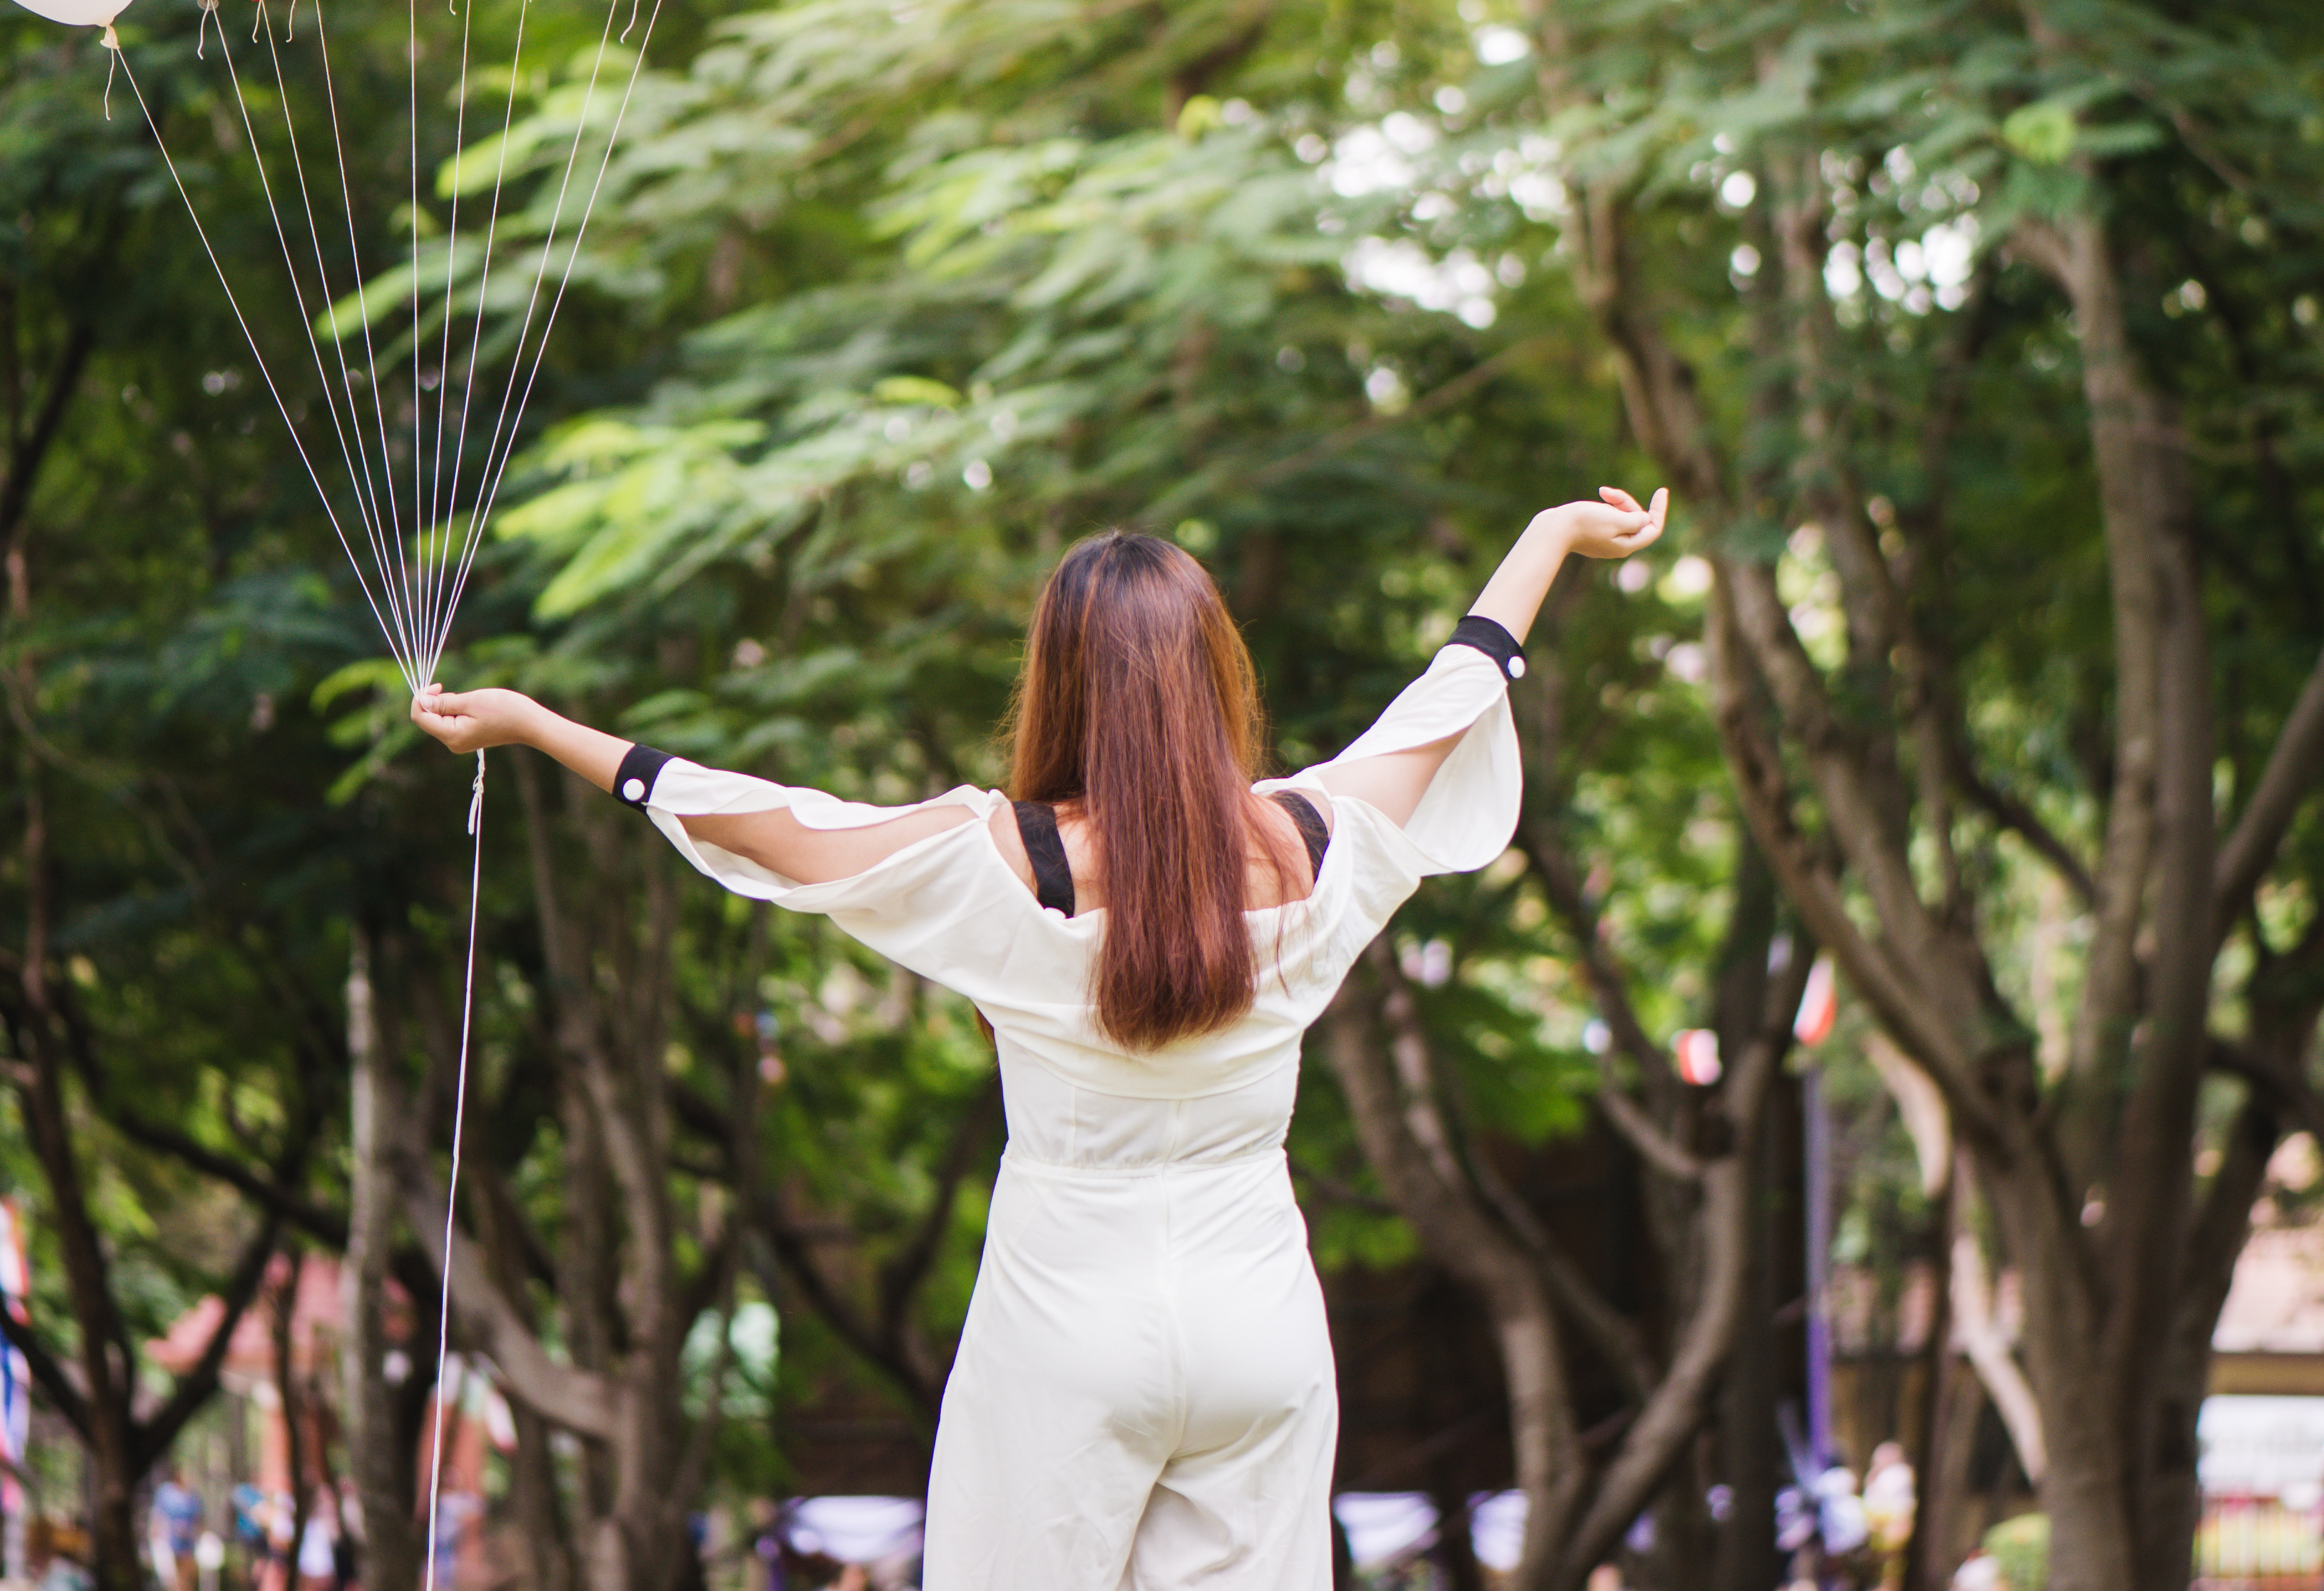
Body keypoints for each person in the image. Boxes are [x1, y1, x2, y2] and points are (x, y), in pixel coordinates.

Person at [410, 485, 1672, 1591]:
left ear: (1061, 679)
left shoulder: (1000, 867)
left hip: (1065, 1333)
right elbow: (1450, 695)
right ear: (1215, 670)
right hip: (1263, 1333)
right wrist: (1548, 536)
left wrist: (542, 728)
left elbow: (776, 827)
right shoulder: (1319, 845)